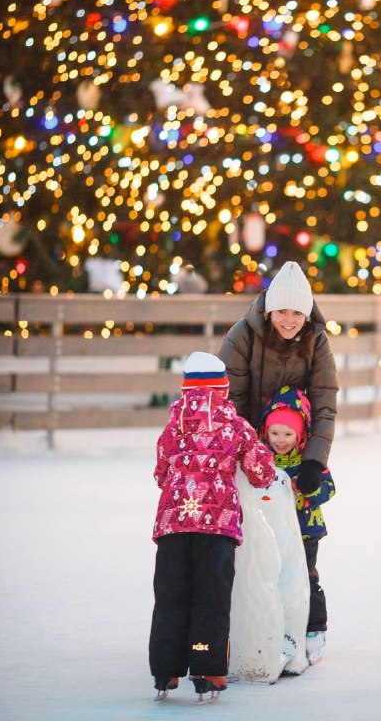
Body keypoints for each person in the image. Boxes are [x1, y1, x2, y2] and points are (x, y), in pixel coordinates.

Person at [148, 351, 275, 702]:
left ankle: (165, 668)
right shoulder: (235, 426)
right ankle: (207, 668)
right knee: (211, 598)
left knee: (170, 596)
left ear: (185, 390)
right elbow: (262, 471)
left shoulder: (172, 425)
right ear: (224, 390)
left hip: (173, 526)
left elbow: (161, 473)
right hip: (216, 527)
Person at [218, 260, 338, 480]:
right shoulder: (242, 336)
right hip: (244, 444)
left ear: (307, 315)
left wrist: (313, 460)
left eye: (298, 313)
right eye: (282, 311)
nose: (289, 321)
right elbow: (230, 399)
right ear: (269, 311)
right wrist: (247, 450)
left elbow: (325, 401)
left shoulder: (316, 341)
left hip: (291, 447)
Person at [260, 386, 336, 666]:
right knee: (275, 580)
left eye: (287, 434)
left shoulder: (309, 461)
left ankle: (314, 629)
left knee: (306, 577)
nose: (280, 440)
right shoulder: (262, 459)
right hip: (272, 533)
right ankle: (278, 630)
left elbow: (329, 489)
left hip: (305, 531)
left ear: (300, 434)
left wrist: (308, 488)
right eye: (274, 433)